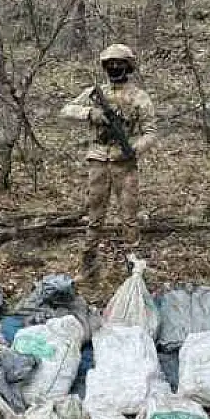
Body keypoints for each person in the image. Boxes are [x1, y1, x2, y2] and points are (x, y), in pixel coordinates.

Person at [59, 43, 157, 281]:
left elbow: (151, 132)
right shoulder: (95, 93)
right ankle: (88, 265)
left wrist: (133, 148)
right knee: (95, 215)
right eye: (110, 64)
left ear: (128, 66)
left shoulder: (139, 97)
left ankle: (134, 270)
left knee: (129, 218)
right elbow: (66, 110)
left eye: (119, 64)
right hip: (99, 161)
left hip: (125, 164)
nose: (114, 67)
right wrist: (90, 113)